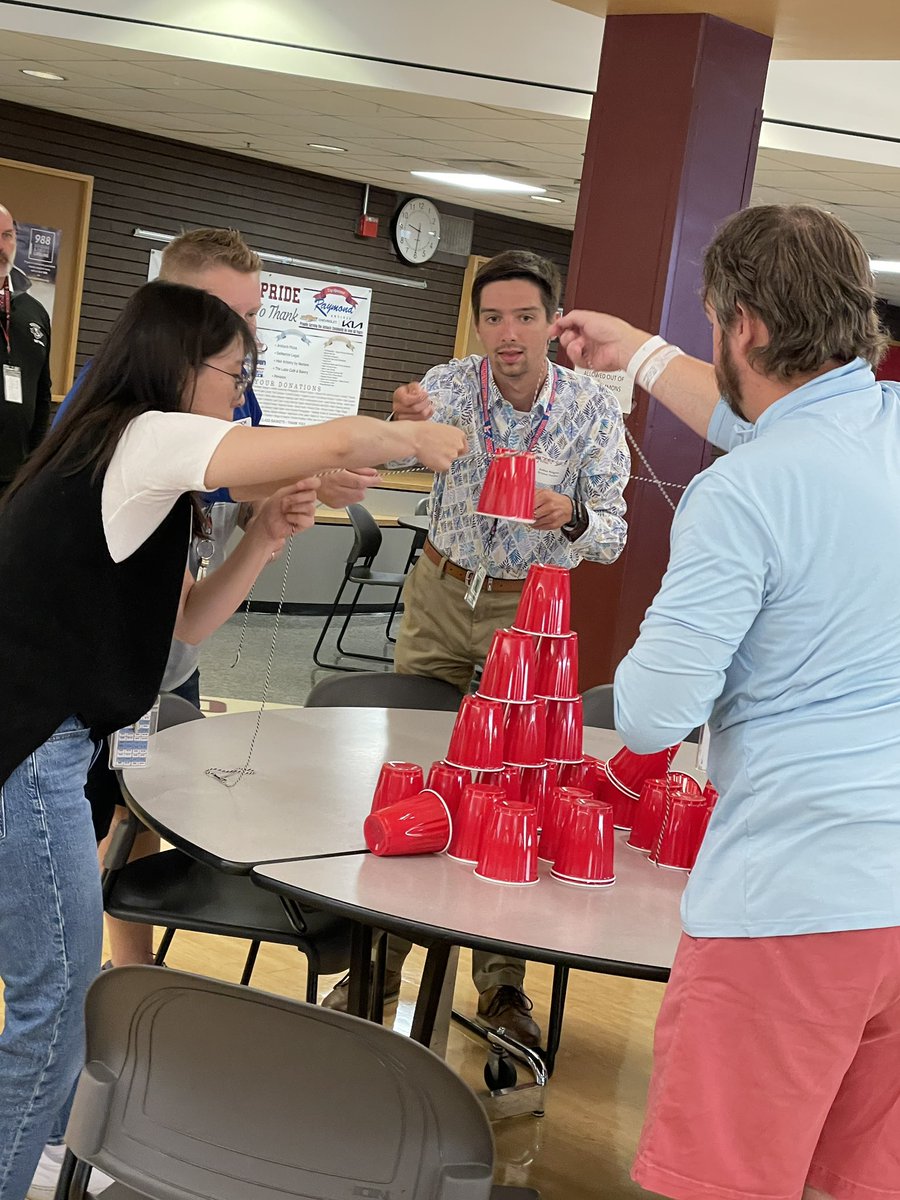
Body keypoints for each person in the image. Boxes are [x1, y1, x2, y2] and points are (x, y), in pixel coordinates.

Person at [0, 279, 466, 1200]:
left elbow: (173, 645)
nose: (242, 395)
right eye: (234, 373)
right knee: (53, 1004)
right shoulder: (139, 433)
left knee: (55, 993)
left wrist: (259, 538)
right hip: (31, 754)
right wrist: (413, 436)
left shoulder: (131, 465)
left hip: (50, 749)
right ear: (182, 366)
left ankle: (50, 1143)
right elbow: (325, 441)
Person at [555, 205, 900, 1200]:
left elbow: (657, 711)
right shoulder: (882, 430)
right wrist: (646, 350)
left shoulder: (744, 491)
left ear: (743, 326)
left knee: (723, 1182)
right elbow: (780, 418)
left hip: (789, 904)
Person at [322, 250, 629, 1047]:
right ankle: (378, 970)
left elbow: (614, 535)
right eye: (491, 317)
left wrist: (569, 515)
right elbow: (389, 455)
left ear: (552, 323)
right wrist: (399, 423)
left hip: (527, 613)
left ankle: (500, 989)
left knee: (509, 794)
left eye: (524, 317)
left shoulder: (591, 407)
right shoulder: (450, 385)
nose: (506, 334)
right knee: (413, 774)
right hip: (439, 590)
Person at [53, 228, 377, 979]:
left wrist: (275, 516)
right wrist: (327, 461)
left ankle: (129, 970)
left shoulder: (231, 384)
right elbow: (215, 469)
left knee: (145, 801)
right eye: (227, 314)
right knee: (91, 818)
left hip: (164, 660)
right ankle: (92, 962)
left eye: (255, 315)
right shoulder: (114, 397)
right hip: (87, 683)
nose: (247, 337)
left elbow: (232, 491)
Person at [0, 204, 51, 498]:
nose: (2, 246)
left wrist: (34, 468)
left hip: (13, 479)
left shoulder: (34, 313)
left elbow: (42, 394)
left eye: (8, 236)